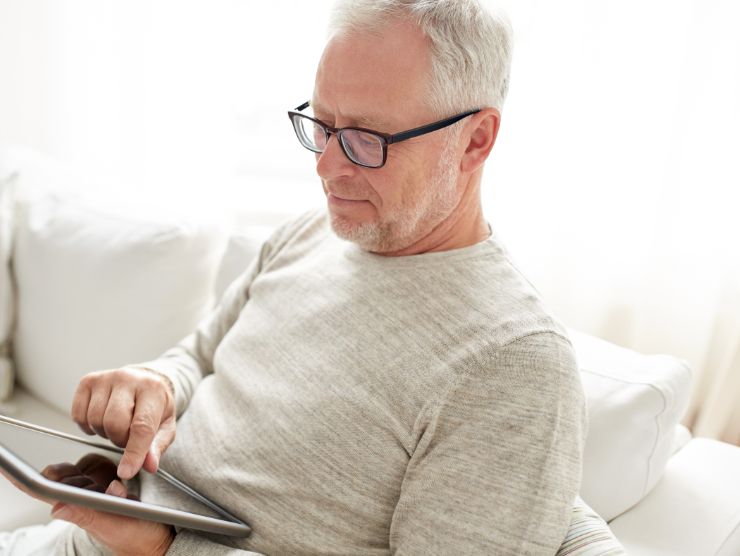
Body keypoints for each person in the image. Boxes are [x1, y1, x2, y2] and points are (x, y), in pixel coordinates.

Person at [2, 0, 587, 554]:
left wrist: (163, 547)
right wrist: (155, 383)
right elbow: (200, 356)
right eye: (322, 125)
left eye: (365, 140)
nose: (326, 166)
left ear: (475, 140)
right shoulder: (312, 234)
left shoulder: (512, 367)